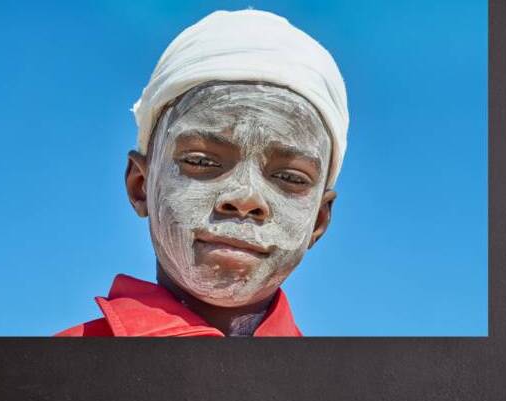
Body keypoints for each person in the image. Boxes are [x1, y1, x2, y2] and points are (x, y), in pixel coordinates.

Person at [55, 8, 349, 337]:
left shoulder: (343, 386)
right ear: (141, 186)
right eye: (202, 161)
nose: (246, 197)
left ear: (319, 221)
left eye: (291, 178)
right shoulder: (47, 375)